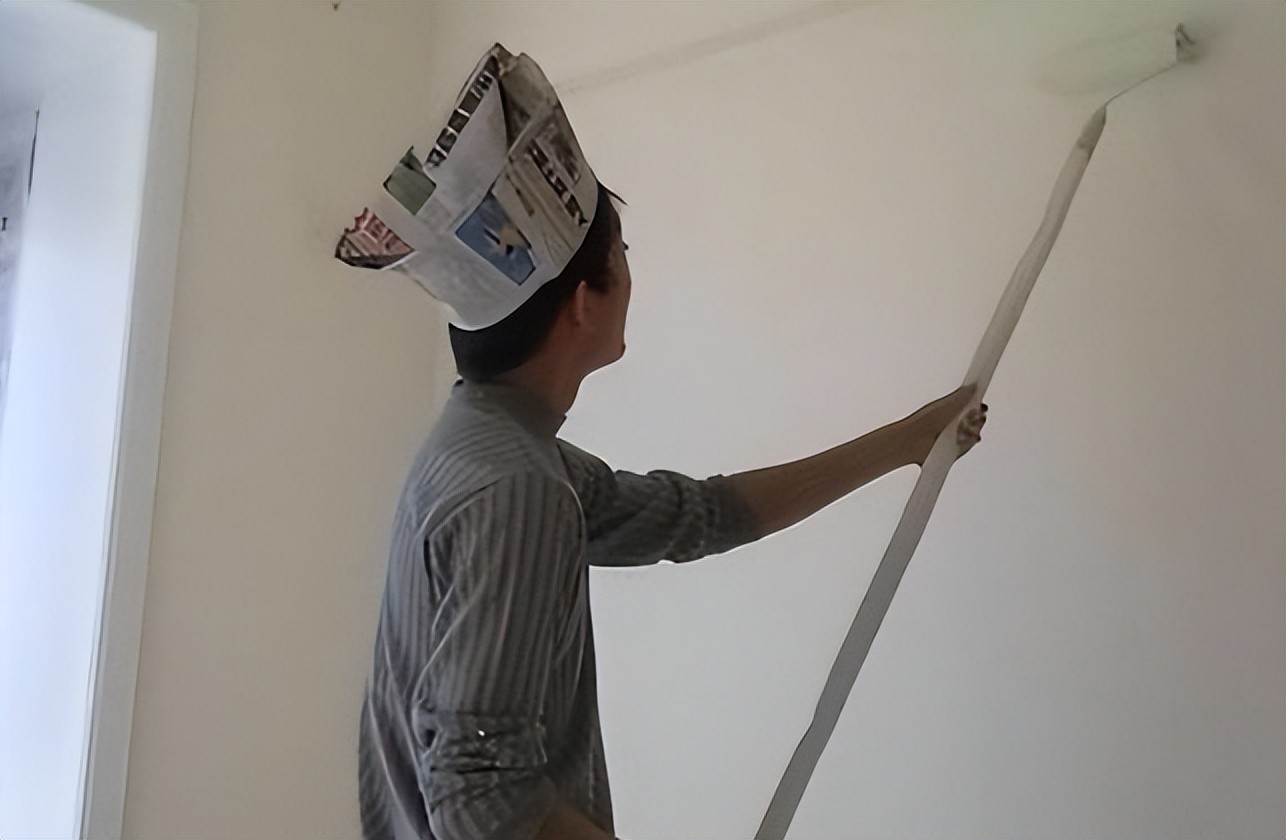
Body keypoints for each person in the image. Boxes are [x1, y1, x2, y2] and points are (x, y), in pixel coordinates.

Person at [339, 46, 986, 840]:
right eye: (623, 258)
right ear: (584, 304)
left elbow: (697, 516)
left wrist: (909, 440)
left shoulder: (488, 442)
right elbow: (481, 800)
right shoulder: (519, 488)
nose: (630, 275)